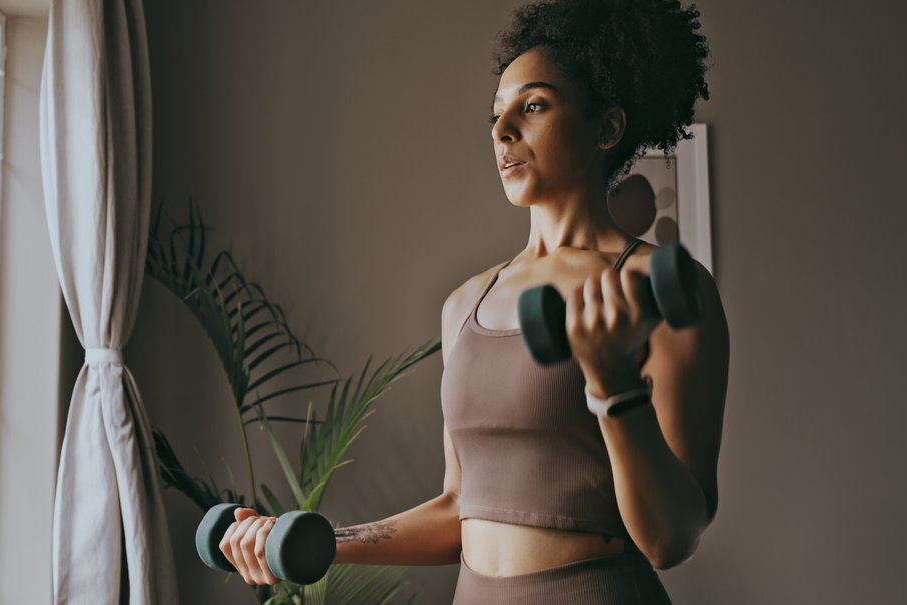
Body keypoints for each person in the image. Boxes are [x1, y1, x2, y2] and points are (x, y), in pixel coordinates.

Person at [219, 0, 727, 602]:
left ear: (607, 128)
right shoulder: (465, 304)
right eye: (496, 115)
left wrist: (614, 388)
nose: (503, 131)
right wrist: (313, 538)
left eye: (533, 106)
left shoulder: (661, 288)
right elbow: (459, 509)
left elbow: (671, 540)